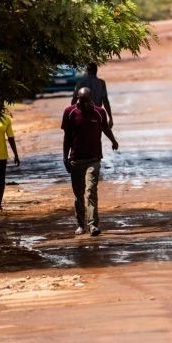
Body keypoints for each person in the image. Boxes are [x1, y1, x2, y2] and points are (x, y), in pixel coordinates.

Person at [62, 87, 119, 237]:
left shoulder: (99, 112)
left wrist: (113, 140)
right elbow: (67, 137)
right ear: (78, 99)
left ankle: (93, 224)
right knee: (78, 195)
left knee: (91, 191)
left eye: (86, 100)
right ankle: (81, 224)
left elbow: (105, 128)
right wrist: (64, 158)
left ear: (91, 99)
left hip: (93, 159)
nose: (84, 103)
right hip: (75, 160)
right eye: (81, 100)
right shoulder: (70, 112)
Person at [72, 63, 114, 129]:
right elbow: (105, 101)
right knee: (96, 136)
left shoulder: (81, 82)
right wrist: (110, 118)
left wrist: (72, 114)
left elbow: (74, 99)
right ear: (96, 70)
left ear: (87, 70)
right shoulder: (101, 83)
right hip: (96, 114)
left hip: (83, 115)